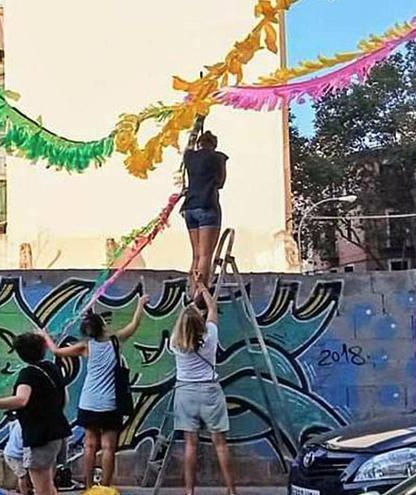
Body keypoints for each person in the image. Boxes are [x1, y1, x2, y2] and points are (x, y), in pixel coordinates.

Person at [38, 294, 150, 488]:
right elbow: (134, 324)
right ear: (103, 327)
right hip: (111, 404)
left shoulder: (85, 346)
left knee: (89, 446)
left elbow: (56, 351)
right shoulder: (115, 341)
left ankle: (89, 487)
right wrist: (140, 304)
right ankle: (105, 488)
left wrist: (44, 335)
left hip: (89, 403)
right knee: (109, 448)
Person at [0, 333, 71, 495]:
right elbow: (65, 397)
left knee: (42, 489)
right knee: (49, 485)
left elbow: (21, 400)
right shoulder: (52, 367)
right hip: (58, 432)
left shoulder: (28, 374)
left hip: (40, 436)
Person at [170, 283, 237, 495]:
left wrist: (191, 302)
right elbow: (213, 308)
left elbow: (186, 319)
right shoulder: (210, 336)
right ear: (201, 322)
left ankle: (190, 491)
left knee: (190, 445)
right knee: (220, 444)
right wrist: (203, 288)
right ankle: (231, 490)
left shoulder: (175, 342)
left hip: (185, 393)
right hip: (210, 392)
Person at [179, 130, 228, 291]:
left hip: (189, 207)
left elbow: (189, 145)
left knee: (196, 255)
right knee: (205, 255)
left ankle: (192, 289)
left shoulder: (189, 157)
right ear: (214, 145)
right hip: (207, 205)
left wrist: (196, 127)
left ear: (199, 143)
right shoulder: (218, 158)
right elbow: (220, 183)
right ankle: (200, 292)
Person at [4, 416, 33, 495]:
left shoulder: (20, 422)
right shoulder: (26, 427)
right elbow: (26, 445)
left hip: (15, 453)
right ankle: (24, 493)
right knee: (22, 475)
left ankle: (26, 490)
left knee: (25, 473)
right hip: (13, 455)